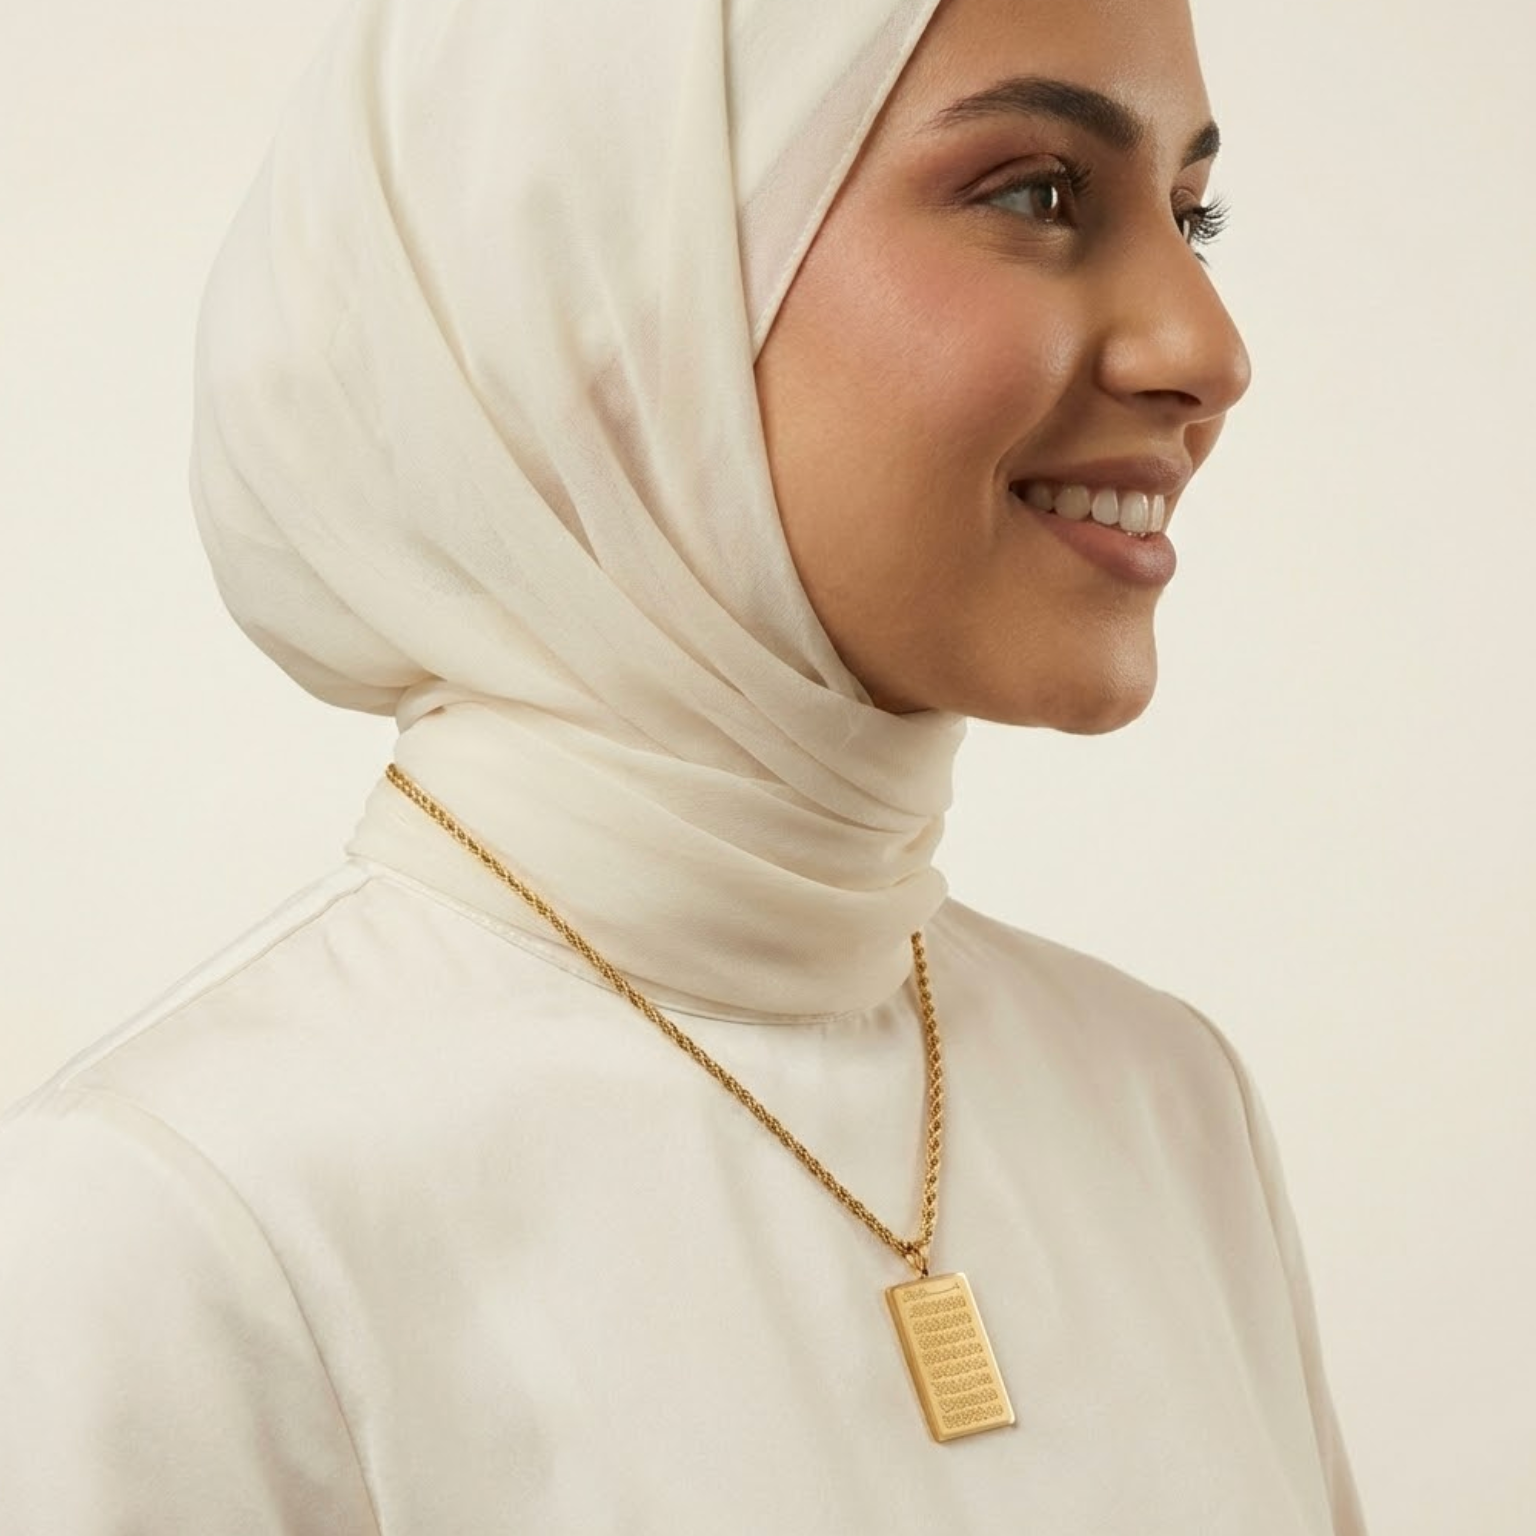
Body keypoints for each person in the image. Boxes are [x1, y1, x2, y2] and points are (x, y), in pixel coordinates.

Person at [0, 0, 1367, 1528]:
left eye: (1195, 216)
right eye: (1039, 193)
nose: (1209, 349)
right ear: (602, 285)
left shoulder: (1167, 1106)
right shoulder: (172, 1232)